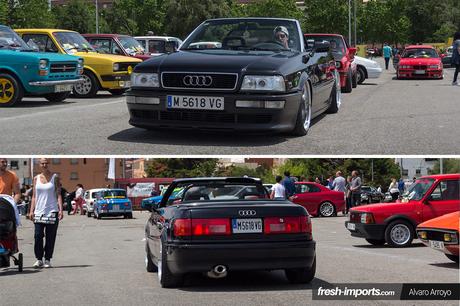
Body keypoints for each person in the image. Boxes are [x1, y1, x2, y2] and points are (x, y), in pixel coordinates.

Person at [28, 158, 63, 268]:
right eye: (42, 163)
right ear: (40, 164)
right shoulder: (36, 178)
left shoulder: (55, 177)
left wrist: (61, 210)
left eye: (46, 163)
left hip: (52, 211)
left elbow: (58, 194)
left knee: (50, 237)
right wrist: (31, 211)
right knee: (38, 236)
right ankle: (39, 259)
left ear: (49, 164)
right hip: (39, 212)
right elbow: (34, 196)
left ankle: (47, 259)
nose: (44, 165)